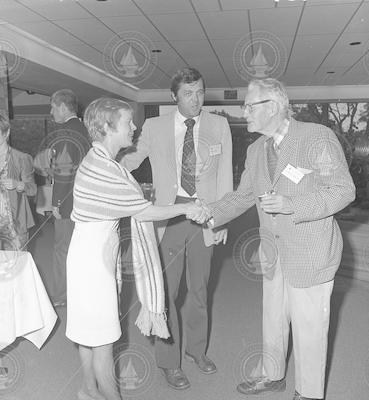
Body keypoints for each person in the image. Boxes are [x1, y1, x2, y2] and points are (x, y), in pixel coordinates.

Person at [205, 78, 355, 400]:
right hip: (272, 252)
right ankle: (273, 376)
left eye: (249, 105)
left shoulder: (317, 139)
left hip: (309, 254)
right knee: (272, 318)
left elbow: (343, 191)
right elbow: (243, 195)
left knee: (309, 329)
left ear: (272, 106)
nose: (243, 111)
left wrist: (292, 205)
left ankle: (309, 393)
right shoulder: (256, 149)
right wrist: (208, 212)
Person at [66, 97, 208, 400]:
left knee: (88, 332)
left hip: (88, 254)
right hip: (94, 262)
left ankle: (87, 391)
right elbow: (144, 212)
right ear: (107, 127)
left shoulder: (101, 161)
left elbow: (130, 205)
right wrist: (187, 209)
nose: (135, 126)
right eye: (128, 122)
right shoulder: (104, 167)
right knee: (103, 340)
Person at [120, 67, 233, 390]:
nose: (195, 99)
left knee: (199, 290)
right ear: (174, 96)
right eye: (187, 93)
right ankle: (169, 363)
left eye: (199, 92)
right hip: (169, 218)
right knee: (166, 292)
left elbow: (225, 175)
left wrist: (220, 218)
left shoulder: (219, 125)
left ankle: (197, 351)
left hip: (204, 217)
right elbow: (128, 161)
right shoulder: (154, 127)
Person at [49, 89, 91, 307]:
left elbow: (64, 171)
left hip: (68, 202)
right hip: (87, 202)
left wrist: (56, 203)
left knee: (61, 250)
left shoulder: (65, 132)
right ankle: (80, 292)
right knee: (81, 250)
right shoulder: (87, 130)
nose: (51, 111)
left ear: (63, 107)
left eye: (53, 107)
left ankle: (60, 296)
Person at [0, 114, 36, 249]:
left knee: (16, 265)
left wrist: (17, 184)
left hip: (15, 223)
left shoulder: (21, 158)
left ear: (6, 133)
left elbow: (32, 189)